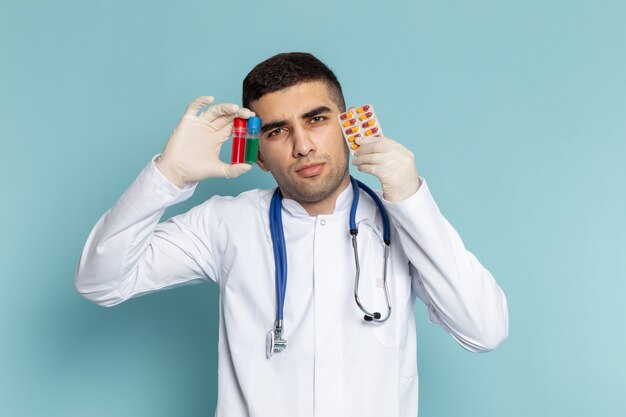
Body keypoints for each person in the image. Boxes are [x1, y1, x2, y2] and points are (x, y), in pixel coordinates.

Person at [75, 52, 508, 417]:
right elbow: (100, 282)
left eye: (316, 119)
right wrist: (168, 175)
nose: (302, 145)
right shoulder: (224, 224)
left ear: (346, 126)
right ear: (260, 154)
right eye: (278, 131)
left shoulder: (404, 223)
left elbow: (484, 330)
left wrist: (412, 201)